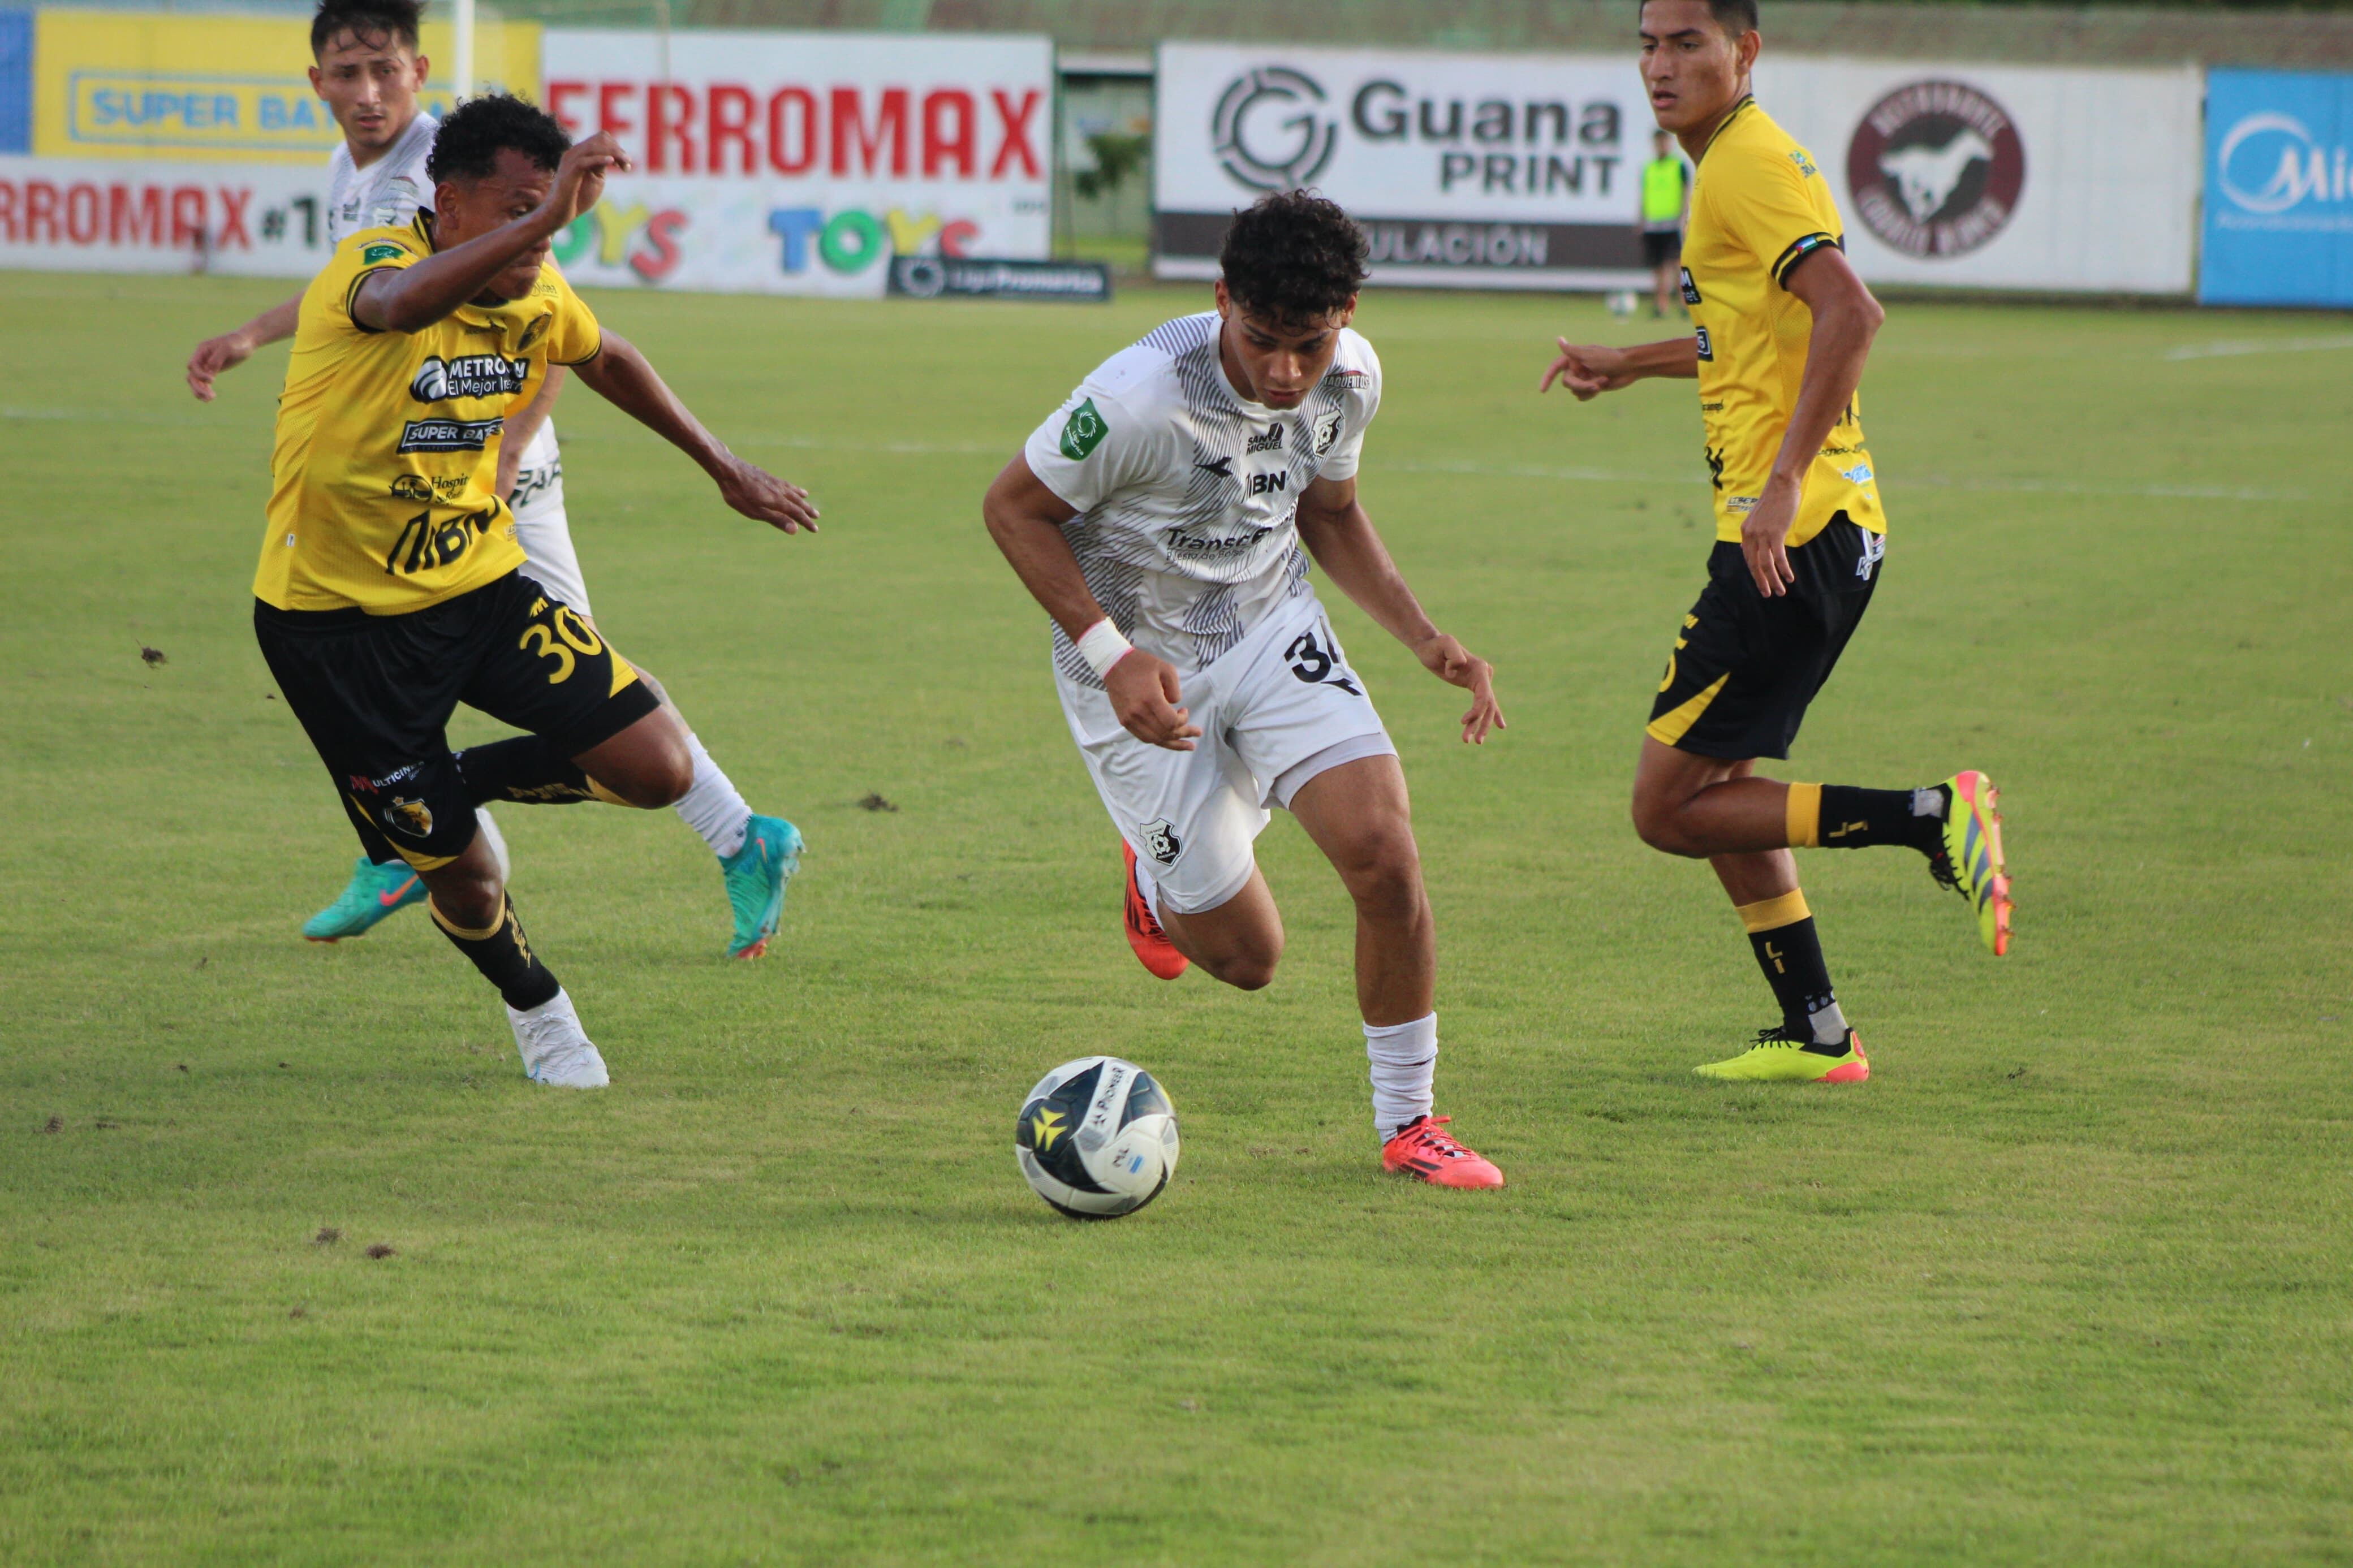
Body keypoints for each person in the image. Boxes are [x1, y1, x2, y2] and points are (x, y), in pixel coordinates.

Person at [188, 0, 801, 960]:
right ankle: (433, 822)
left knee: (597, 695)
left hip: (483, 470)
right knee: (592, 692)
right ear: (316, 82)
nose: (365, 92)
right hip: (423, 469)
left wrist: (511, 447)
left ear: (417, 72)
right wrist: (253, 336)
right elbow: (362, 295)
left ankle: (713, 832)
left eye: (382, 70)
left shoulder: (458, 166)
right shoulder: (358, 177)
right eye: (345, 75)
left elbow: (547, 314)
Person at [982, 191, 1510, 1188]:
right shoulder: (1141, 395)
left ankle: (1412, 1123)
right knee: (1248, 957)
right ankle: (1153, 874)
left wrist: (1426, 636)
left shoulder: (1350, 378)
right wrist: (1111, 653)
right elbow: (1012, 509)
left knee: (1385, 854)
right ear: (1222, 297)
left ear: (1346, 313)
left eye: (1306, 345)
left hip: (1271, 625)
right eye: (1262, 339)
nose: (1283, 372)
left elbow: (1333, 511)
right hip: (1136, 668)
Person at [1539, 0, 2012, 1084]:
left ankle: (1931, 819)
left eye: (1688, 43)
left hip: (1789, 534)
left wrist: (1783, 478)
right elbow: (1751, 331)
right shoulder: (1736, 161)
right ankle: (1819, 1032)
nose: (1661, 66)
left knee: (1668, 809)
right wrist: (1634, 359)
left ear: (1744, 52)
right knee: (1721, 793)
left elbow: (1852, 311)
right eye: (1649, 45)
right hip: (1815, 530)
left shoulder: (1744, 163)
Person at [1639, 127, 1691, 318]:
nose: (1660, 146)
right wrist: (1641, 219)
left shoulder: (1678, 166)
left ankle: (1685, 304)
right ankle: (1661, 305)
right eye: (1657, 142)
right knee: (1658, 267)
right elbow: (1644, 196)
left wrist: (1683, 217)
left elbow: (1686, 193)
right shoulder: (1649, 168)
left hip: (1672, 223)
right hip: (1653, 223)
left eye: (1664, 142)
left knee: (1677, 266)